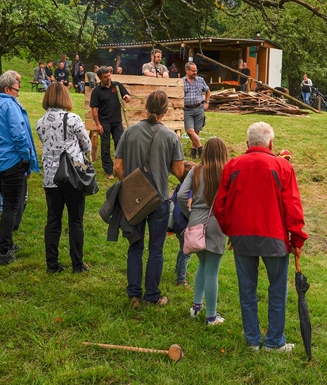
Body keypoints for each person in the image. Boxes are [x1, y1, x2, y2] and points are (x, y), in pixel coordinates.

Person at [212, 121, 307, 352]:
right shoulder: (282, 167)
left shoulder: (233, 165)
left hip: (242, 235)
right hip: (274, 237)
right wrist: (297, 239)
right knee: (277, 290)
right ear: (271, 144)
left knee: (247, 290)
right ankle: (274, 342)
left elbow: (220, 207)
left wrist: (231, 231)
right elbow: (293, 208)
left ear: (248, 143)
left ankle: (253, 340)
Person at [114, 90, 186, 307]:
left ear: (146, 107)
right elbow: (179, 171)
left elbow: (118, 166)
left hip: (135, 200)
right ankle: (152, 296)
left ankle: (134, 295)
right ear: (166, 110)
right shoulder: (171, 136)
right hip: (160, 200)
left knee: (135, 247)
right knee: (156, 249)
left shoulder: (130, 132)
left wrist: (131, 185)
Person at [0, 70, 39, 265]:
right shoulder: (9, 105)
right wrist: (26, 158)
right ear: (7, 89)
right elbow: (19, 134)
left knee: (9, 204)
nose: (18, 94)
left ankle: (7, 243)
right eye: (16, 90)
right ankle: (2, 251)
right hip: (13, 162)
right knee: (11, 207)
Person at [36, 83, 92, 274]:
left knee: (53, 220)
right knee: (75, 220)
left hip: (51, 178)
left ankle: (52, 264)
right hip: (73, 175)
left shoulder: (40, 122)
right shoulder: (73, 119)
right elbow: (87, 145)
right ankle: (77, 264)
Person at [178, 137, 229, 325]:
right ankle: (211, 315)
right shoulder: (227, 172)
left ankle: (196, 306)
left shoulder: (196, 170)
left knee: (202, 265)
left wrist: (188, 213)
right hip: (217, 222)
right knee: (212, 271)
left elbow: (182, 195)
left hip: (196, 220)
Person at [89, 66, 130, 180]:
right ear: (100, 79)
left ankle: (120, 167)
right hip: (104, 122)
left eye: (109, 75)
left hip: (117, 122)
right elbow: (94, 109)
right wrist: (98, 124)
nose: (108, 78)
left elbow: (127, 96)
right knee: (105, 146)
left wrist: (127, 97)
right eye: (105, 77)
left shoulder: (116, 86)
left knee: (120, 144)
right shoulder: (97, 91)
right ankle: (108, 170)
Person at [182, 61, 210, 159]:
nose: (195, 72)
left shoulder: (200, 80)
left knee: (196, 131)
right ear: (187, 70)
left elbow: (207, 90)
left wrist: (207, 102)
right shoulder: (181, 81)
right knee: (190, 130)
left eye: (196, 70)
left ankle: (193, 152)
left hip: (199, 107)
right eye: (193, 71)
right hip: (187, 109)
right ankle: (201, 149)